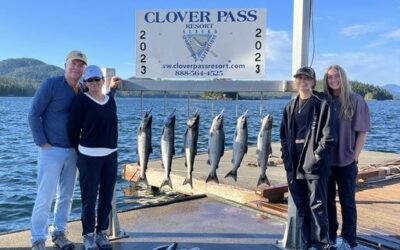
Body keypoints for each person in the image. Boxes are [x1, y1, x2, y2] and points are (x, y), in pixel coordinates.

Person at [28, 50, 87, 250]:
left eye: (81, 65)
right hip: (51, 150)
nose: (76, 68)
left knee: (67, 196)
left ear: (84, 69)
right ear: (65, 65)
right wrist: (42, 142)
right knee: (45, 196)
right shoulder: (51, 85)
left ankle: (59, 232)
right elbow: (34, 114)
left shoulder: (83, 89)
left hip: (73, 151)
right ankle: (37, 239)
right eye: (74, 64)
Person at [280, 66, 336, 250]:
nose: (302, 81)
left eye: (306, 78)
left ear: (313, 81)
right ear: (296, 82)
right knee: (302, 206)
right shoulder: (290, 106)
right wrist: (287, 159)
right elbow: (283, 136)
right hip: (294, 165)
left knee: (317, 206)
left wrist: (316, 157)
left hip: (315, 166)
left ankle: (321, 245)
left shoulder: (322, 103)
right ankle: (306, 243)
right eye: (299, 78)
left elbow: (328, 137)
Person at [68, 65, 120, 250]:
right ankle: (88, 235)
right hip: (88, 157)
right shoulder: (81, 101)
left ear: (102, 80)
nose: (94, 83)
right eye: (89, 80)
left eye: (97, 79)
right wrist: (80, 151)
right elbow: (72, 129)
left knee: (106, 198)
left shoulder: (109, 100)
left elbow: (109, 97)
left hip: (110, 156)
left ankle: (101, 233)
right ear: (85, 83)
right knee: (89, 200)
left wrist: (113, 88)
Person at [323, 65, 370, 250]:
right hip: (327, 161)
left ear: (343, 78)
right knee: (328, 202)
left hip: (347, 161)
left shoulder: (356, 100)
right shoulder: (324, 100)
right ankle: (331, 236)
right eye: (329, 77)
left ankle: (349, 240)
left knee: (347, 202)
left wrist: (354, 158)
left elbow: (362, 132)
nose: (333, 80)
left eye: (336, 76)